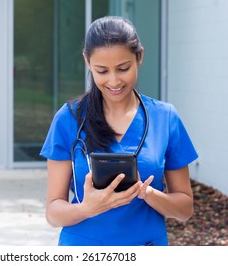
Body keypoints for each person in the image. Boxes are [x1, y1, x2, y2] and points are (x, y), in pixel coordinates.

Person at [39, 16, 198, 246]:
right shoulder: (69, 119)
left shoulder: (165, 118)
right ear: (87, 62)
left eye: (123, 69)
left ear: (139, 57)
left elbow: (184, 210)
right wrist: (88, 208)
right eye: (102, 71)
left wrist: (149, 194)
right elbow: (53, 212)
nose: (114, 81)